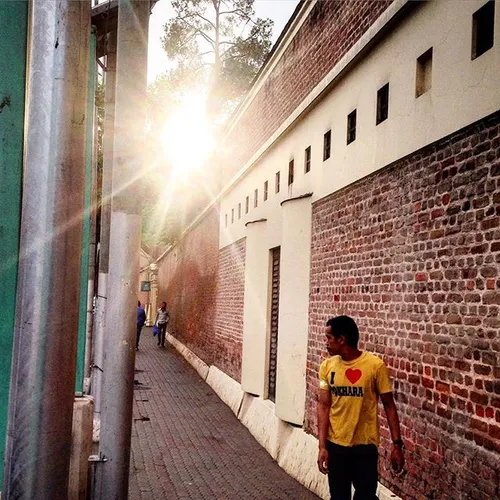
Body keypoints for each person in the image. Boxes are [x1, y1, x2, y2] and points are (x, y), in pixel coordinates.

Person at [317, 315, 404, 500]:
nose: (326, 343)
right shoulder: (326, 366)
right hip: (337, 446)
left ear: (342, 340)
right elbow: (323, 406)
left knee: (366, 497)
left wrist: (397, 445)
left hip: (365, 448)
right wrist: (322, 447)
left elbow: (389, 405)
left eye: (329, 338)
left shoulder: (375, 366)